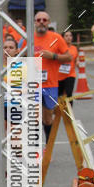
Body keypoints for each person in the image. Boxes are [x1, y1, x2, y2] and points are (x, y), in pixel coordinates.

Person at [32, 11, 71, 144]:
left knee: (48, 118)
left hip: (50, 84)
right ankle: (35, 148)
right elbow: (16, 56)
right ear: (34, 22)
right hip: (32, 84)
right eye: (38, 20)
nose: (41, 22)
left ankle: (48, 145)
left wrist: (53, 56)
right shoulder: (27, 38)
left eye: (44, 20)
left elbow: (68, 57)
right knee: (34, 117)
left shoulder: (56, 38)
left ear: (48, 22)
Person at [58, 29, 77, 101]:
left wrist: (77, 62)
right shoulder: (58, 49)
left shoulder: (74, 48)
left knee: (69, 95)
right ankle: (60, 111)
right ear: (62, 38)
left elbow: (75, 59)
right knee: (59, 95)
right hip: (59, 75)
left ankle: (69, 111)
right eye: (66, 36)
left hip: (70, 74)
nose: (69, 37)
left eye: (70, 36)